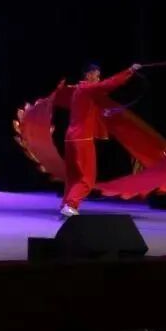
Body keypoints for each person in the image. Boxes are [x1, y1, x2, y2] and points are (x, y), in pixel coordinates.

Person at [58, 62, 140, 217]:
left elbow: (84, 110)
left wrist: (102, 113)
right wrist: (129, 71)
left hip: (70, 138)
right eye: (96, 75)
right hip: (82, 139)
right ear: (88, 75)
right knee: (87, 178)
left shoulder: (79, 90)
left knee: (74, 176)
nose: (98, 79)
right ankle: (71, 204)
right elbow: (109, 84)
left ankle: (66, 205)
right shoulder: (87, 88)